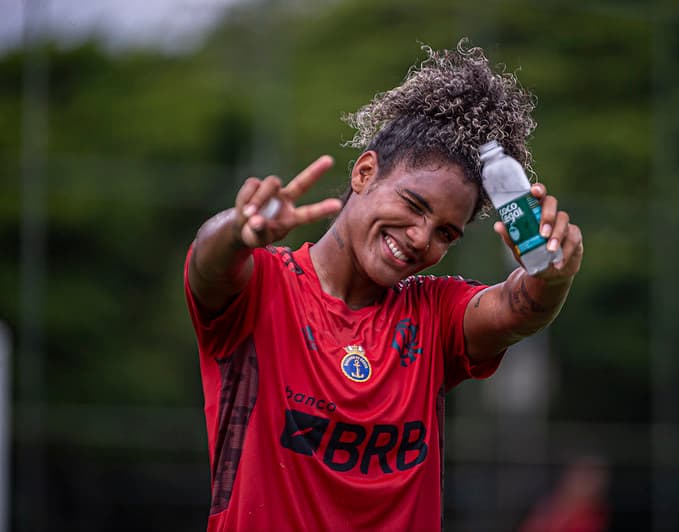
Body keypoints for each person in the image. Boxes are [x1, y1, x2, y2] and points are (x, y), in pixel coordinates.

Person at [184, 40, 583, 532]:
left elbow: (521, 309)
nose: (421, 239)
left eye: (445, 233)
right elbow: (208, 261)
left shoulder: (434, 314)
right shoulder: (264, 285)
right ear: (365, 172)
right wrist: (237, 230)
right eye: (414, 206)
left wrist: (554, 273)